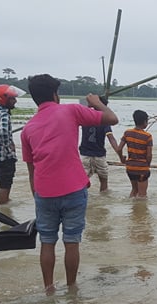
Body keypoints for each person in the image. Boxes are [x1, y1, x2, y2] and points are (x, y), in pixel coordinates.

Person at [20, 74, 118, 292]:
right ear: (55, 94)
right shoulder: (71, 110)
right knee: (71, 241)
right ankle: (72, 287)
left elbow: (31, 170)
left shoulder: (28, 128)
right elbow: (112, 119)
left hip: (44, 192)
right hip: (74, 189)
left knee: (47, 242)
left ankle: (49, 289)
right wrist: (97, 103)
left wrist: (37, 196)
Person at [116, 110, 153, 198]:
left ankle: (132, 209)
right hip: (142, 168)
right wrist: (148, 164)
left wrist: (121, 159)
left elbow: (119, 148)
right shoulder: (148, 136)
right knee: (142, 195)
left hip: (130, 168)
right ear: (145, 122)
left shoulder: (127, 133)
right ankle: (140, 211)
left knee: (134, 190)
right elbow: (149, 155)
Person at [79, 119, 122, 192]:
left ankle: (82, 198)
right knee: (103, 180)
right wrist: (119, 153)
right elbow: (111, 138)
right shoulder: (105, 122)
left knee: (82, 181)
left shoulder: (85, 119)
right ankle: (104, 199)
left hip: (85, 155)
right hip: (99, 155)